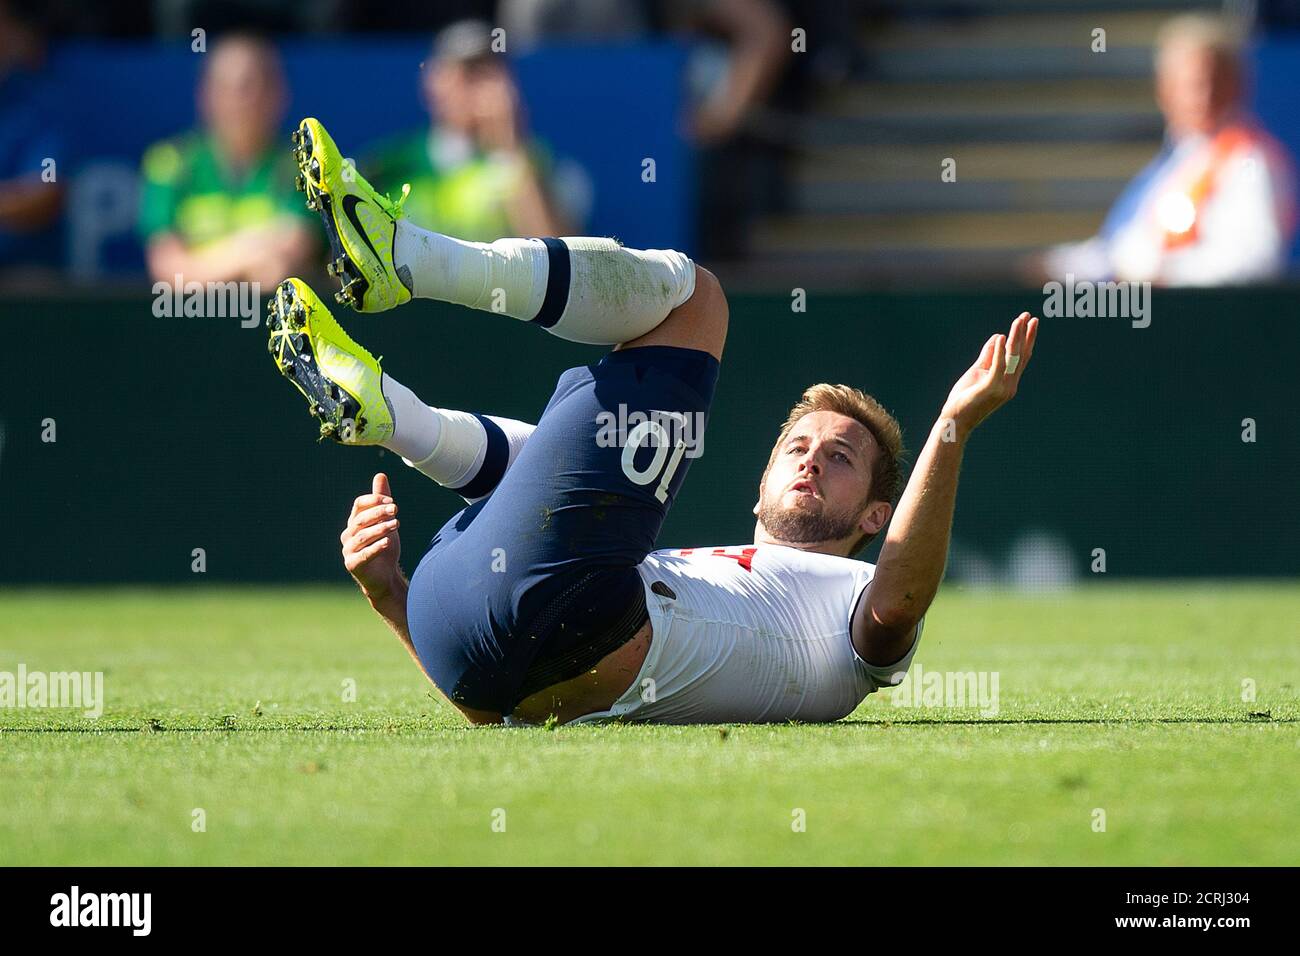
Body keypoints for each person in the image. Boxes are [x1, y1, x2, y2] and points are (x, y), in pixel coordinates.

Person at [267, 117, 1038, 725]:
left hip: (545, 611)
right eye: (797, 446)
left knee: (698, 298)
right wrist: (393, 595)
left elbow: (901, 602)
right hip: (469, 630)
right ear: (758, 484)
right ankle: (395, 415)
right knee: (564, 457)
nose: (809, 459)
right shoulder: (701, 570)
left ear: (878, 511)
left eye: (840, 457)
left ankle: (411, 262)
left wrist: (953, 427)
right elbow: (498, 711)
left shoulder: (850, 595)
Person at [1031, 14, 1296, 286]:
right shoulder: (1175, 163)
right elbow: (1122, 252)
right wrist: (1059, 265)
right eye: (1192, 84)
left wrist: (1164, 274)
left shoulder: (1248, 160)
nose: (1203, 96)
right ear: (1165, 89)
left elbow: (1257, 260)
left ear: (1236, 86)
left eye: (1215, 81)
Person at [361, 19, 571, 243]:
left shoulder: (531, 163)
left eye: (492, 74)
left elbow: (561, 262)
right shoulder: (388, 165)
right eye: (469, 73)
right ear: (433, 83)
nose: (485, 88)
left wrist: (509, 148)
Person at [139, 33, 317, 288]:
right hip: (186, 323)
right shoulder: (168, 163)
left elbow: (287, 259)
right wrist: (251, 255)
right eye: (226, 87)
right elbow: (170, 271)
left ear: (279, 95)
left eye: (250, 86)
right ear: (205, 95)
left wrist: (201, 266)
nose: (240, 100)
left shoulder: (304, 165)